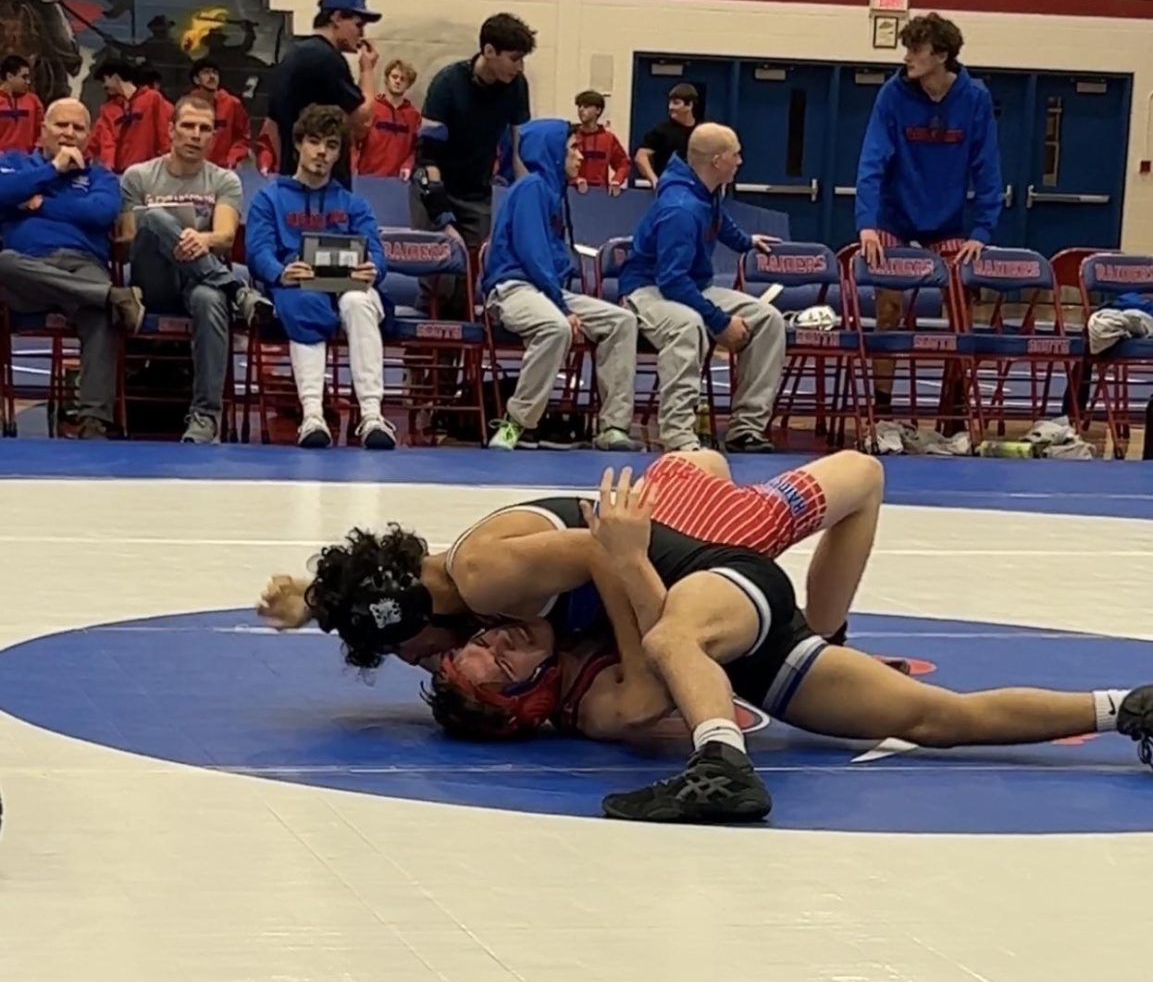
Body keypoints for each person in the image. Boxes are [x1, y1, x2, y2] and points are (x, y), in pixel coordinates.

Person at [425, 468, 1153, 824]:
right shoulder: (599, 706)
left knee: (679, 630)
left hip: (723, 586)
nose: (497, 634)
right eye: (499, 660)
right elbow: (656, 661)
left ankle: (719, 762)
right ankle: (1124, 707)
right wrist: (624, 558)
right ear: (528, 699)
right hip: (741, 635)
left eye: (480, 641)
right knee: (933, 718)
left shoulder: (540, 629)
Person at [256, 447, 893, 686]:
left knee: (862, 476)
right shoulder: (433, 578)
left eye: (412, 652)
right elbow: (383, 586)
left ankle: (827, 637)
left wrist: (639, 662)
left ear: (416, 612)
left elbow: (602, 550)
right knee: (702, 461)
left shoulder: (480, 577)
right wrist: (316, 600)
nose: (422, 661)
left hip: (696, 532)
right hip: (657, 492)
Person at [855, 13, 1002, 415]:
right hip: (892, 217)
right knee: (888, 305)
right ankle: (881, 408)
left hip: (946, 222)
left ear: (941, 54)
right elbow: (872, 160)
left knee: (961, 301)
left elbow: (988, 168)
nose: (907, 58)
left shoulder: (975, 99)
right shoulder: (893, 95)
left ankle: (952, 412)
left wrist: (982, 232)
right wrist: (867, 224)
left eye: (915, 50)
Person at [620, 122, 784, 453]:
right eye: (736, 154)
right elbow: (671, 280)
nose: (740, 161)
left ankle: (746, 429)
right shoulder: (681, 208)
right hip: (648, 289)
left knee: (769, 320)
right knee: (687, 325)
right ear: (718, 161)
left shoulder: (705, 191)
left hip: (688, 285)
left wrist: (746, 241)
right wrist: (720, 322)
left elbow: (718, 221)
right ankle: (678, 434)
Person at [246, 104, 397, 451]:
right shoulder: (269, 198)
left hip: (348, 287)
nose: (321, 152)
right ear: (298, 144)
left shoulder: (354, 204)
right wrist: (280, 272)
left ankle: (372, 417)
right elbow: (258, 252)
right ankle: (312, 415)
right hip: (297, 285)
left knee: (359, 301)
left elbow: (376, 251)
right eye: (314, 142)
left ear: (339, 153)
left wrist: (373, 268)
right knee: (305, 303)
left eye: (331, 145)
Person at [482, 119, 638, 452]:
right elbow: (532, 254)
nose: (580, 156)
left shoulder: (552, 191)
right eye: (572, 149)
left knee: (621, 322)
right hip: (513, 288)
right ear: (551, 152)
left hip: (547, 289)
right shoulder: (531, 189)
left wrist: (561, 300)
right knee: (556, 328)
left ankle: (613, 427)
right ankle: (516, 425)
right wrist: (563, 307)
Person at [118, 93, 266, 445]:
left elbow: (226, 236)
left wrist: (201, 240)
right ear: (171, 130)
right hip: (152, 281)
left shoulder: (224, 181)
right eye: (187, 126)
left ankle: (205, 416)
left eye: (205, 128)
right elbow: (126, 241)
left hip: (196, 280)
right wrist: (164, 233)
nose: (195, 134)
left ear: (213, 136)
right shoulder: (138, 177)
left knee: (209, 300)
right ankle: (236, 289)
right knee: (154, 217)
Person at [0, 97, 141, 439]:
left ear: (89, 135)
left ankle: (94, 421)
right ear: (43, 130)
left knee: (99, 315)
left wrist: (41, 203)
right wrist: (53, 170)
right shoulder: (14, 163)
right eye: (62, 125)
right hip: (24, 270)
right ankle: (111, 295)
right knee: (2, 261)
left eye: (78, 128)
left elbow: (101, 213)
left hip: (84, 264)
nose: (69, 133)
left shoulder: (101, 176)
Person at [409, 12, 534, 318]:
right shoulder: (447, 83)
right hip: (435, 187)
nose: (519, 67)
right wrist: (441, 214)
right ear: (489, 52)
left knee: (464, 290)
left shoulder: (517, 86)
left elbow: (519, 150)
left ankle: (452, 367)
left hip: (477, 195)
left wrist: (528, 196)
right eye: (514, 59)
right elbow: (426, 158)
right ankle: (418, 365)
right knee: (438, 286)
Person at [266, 0, 380, 189]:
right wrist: (367, 70)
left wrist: (290, 162)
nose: (361, 33)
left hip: (291, 181)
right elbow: (362, 121)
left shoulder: (291, 55)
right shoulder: (328, 59)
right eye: (358, 24)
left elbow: (271, 126)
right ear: (336, 18)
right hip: (325, 187)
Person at [87, 59, 172, 173]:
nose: (103, 85)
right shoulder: (108, 109)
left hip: (149, 172)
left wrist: (168, 161)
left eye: (104, 79)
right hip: (119, 173)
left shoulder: (152, 98)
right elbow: (100, 139)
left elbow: (164, 133)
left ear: (116, 76)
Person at [356, 58, 420, 179]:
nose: (398, 81)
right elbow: (355, 141)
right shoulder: (372, 107)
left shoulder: (413, 116)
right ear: (386, 79)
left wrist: (408, 165)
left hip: (397, 181)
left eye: (403, 79)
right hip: (367, 177)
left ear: (408, 84)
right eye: (394, 77)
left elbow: (415, 148)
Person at [188, 59, 252, 170]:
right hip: (192, 169)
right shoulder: (186, 106)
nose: (212, 76)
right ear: (196, 79)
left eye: (215, 73)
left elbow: (242, 137)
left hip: (223, 170)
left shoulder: (232, 104)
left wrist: (233, 158)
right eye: (206, 72)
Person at [633, 82, 697, 187]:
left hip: (695, 189)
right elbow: (641, 156)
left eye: (676, 103)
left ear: (689, 105)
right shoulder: (661, 131)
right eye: (670, 103)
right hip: (668, 188)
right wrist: (654, 180)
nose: (671, 107)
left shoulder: (703, 131)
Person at [572, 90, 628, 195]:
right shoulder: (571, 136)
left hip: (600, 194)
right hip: (573, 192)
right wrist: (575, 180)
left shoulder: (608, 139)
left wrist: (617, 180)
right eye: (579, 106)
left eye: (586, 106)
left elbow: (623, 163)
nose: (581, 110)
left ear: (598, 110)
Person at [0, 54, 43, 153]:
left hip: (27, 162)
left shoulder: (33, 101)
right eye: (24, 77)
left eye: (29, 77)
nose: (28, 82)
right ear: (9, 76)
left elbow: (41, 131)